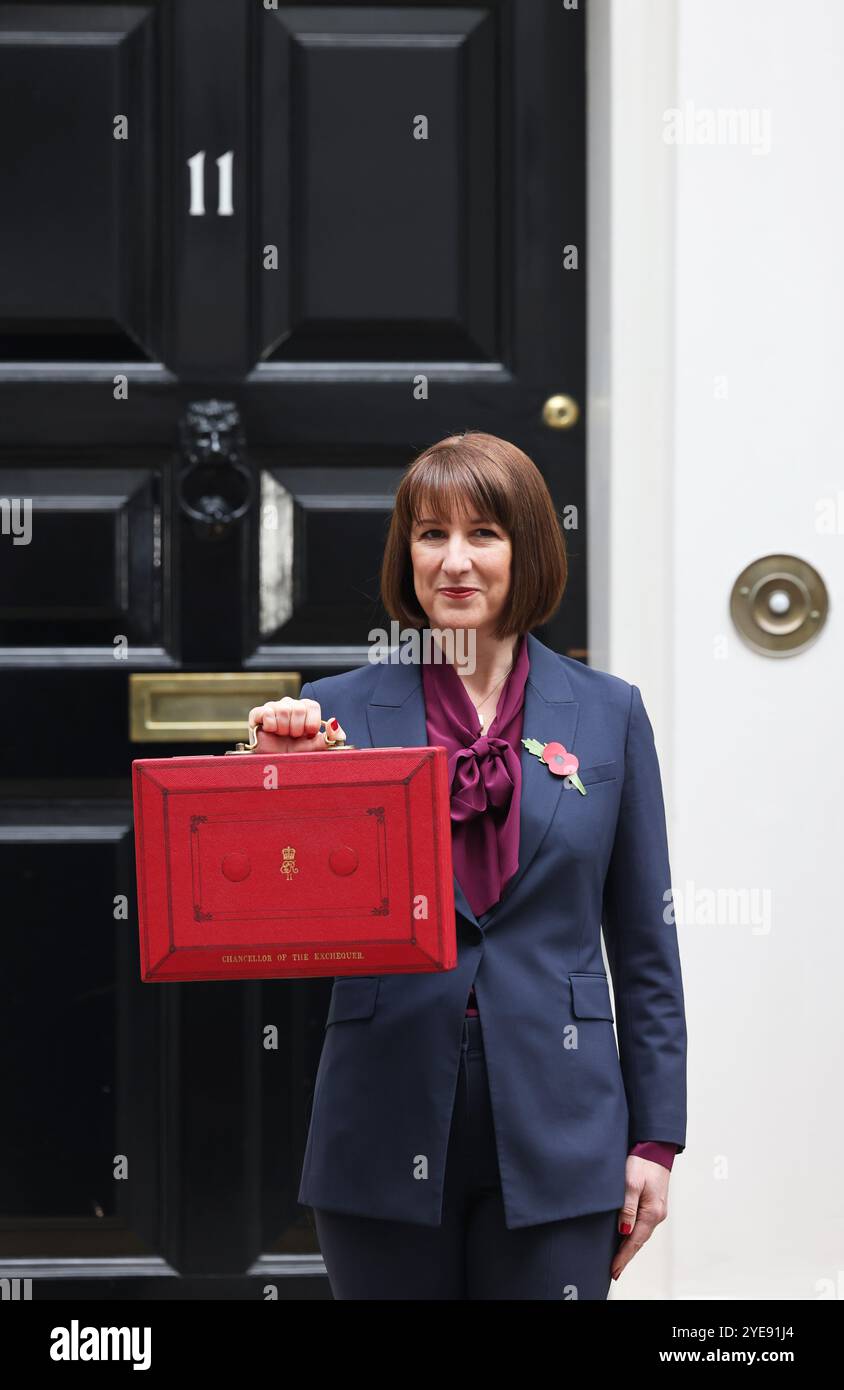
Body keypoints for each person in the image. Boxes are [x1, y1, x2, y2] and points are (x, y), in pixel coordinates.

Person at [248, 431, 687, 1300]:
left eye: (483, 533)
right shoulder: (333, 710)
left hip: (566, 1126)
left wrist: (655, 1140)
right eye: (429, 533)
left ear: (528, 549)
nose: (454, 561)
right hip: (380, 1122)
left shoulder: (608, 713)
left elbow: (644, 944)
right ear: (404, 551)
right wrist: (269, 780)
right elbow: (272, 921)